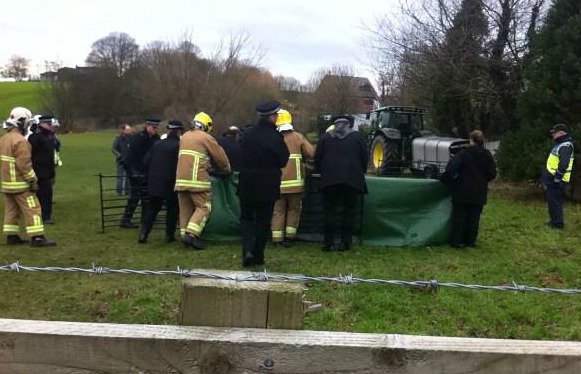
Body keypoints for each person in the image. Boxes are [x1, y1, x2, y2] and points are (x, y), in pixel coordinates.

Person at [238, 100, 289, 266]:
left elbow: (240, 156)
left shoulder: (247, 133)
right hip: (268, 184)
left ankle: (247, 251)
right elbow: (283, 160)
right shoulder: (276, 137)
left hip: (247, 183)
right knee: (263, 221)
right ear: (272, 117)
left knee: (246, 219)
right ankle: (258, 254)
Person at [0, 107, 55, 247]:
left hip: (7, 184)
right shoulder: (20, 141)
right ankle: (37, 237)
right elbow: (25, 165)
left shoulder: (4, 139)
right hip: (20, 183)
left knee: (11, 210)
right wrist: (32, 181)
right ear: (22, 121)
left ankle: (11, 237)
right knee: (33, 208)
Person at [175, 112, 231, 249]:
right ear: (206, 126)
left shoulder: (184, 137)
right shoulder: (206, 138)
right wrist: (226, 169)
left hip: (180, 181)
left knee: (185, 209)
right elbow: (220, 157)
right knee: (203, 207)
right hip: (198, 181)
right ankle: (191, 234)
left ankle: (184, 237)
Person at [314, 115, 368, 252]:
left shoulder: (325, 137)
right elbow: (365, 158)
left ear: (335, 124)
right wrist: (359, 171)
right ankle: (345, 242)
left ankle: (328, 243)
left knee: (329, 212)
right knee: (349, 212)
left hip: (330, 180)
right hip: (352, 180)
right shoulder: (357, 137)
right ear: (349, 124)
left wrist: (323, 171)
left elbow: (317, 158)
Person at [440, 130, 497, 247]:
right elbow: (492, 173)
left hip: (462, 189)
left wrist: (445, 180)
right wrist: (483, 181)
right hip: (478, 191)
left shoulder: (463, 154)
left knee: (459, 217)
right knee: (474, 218)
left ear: (471, 140)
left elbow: (451, 169)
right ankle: (470, 241)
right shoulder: (487, 155)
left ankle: (456, 241)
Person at [271, 109, 314, 247]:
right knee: (294, 210)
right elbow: (311, 153)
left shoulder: (273, 137)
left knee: (277, 211)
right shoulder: (298, 137)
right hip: (296, 185)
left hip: (277, 184)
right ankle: (290, 238)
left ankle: (277, 239)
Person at [139, 120, 184, 244]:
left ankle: (143, 234)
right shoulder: (179, 146)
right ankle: (169, 236)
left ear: (169, 130)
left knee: (152, 209)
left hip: (155, 182)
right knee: (172, 209)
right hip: (171, 182)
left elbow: (146, 161)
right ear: (179, 131)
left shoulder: (157, 144)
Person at [119, 118, 160, 228]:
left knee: (147, 196)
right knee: (135, 195)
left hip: (148, 172)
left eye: (156, 127)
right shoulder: (138, 138)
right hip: (136, 171)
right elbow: (130, 156)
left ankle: (145, 219)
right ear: (147, 126)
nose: (155, 129)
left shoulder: (156, 138)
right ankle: (126, 219)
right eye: (153, 127)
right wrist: (133, 172)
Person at [541, 123, 574, 229]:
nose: (552, 135)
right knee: (552, 200)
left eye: (554, 133)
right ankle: (553, 220)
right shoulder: (560, 144)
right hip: (552, 177)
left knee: (555, 201)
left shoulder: (566, 146)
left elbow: (563, 163)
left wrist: (557, 177)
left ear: (560, 133)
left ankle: (557, 224)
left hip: (557, 179)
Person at [28, 115, 59, 224]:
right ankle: (44, 216)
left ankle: (45, 215)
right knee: (42, 194)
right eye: (49, 124)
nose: (51, 126)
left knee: (47, 194)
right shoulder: (35, 137)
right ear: (43, 124)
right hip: (39, 171)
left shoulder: (49, 136)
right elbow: (30, 154)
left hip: (48, 170)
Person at [111, 124, 132, 196]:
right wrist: (119, 155)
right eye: (127, 130)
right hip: (120, 160)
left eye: (130, 130)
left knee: (129, 177)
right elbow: (113, 148)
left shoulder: (131, 138)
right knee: (120, 177)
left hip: (129, 160)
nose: (129, 131)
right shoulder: (118, 138)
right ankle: (118, 192)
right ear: (123, 130)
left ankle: (128, 192)